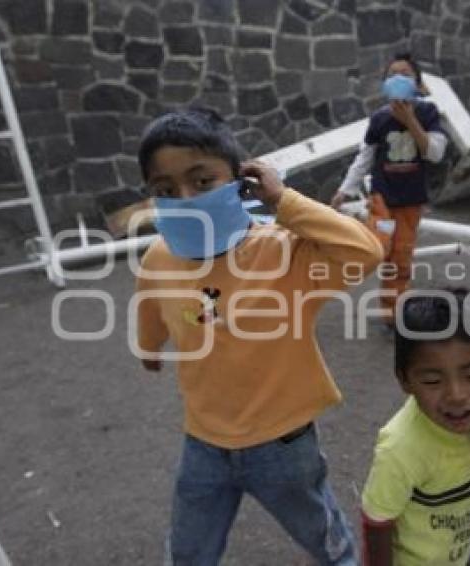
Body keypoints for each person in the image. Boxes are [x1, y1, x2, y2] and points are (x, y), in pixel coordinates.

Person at [134, 107, 383, 565]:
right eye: (165, 190)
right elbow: (152, 305)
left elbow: (365, 250)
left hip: (283, 446)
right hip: (203, 443)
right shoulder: (158, 257)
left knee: (326, 540)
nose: (184, 198)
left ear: (240, 181)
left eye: (201, 181)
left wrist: (284, 201)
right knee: (188, 552)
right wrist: (149, 347)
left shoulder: (284, 251)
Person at [361, 289, 470, 566]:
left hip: (459, 551)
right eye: (431, 381)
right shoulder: (399, 450)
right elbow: (377, 521)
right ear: (405, 381)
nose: (457, 395)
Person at [331, 53, 448, 326]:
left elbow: (435, 154)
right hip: (382, 198)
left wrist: (410, 121)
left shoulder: (429, 113)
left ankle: (394, 312)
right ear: (384, 84)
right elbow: (365, 158)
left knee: (401, 257)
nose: (398, 79)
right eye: (392, 74)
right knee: (379, 249)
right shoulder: (379, 119)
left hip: (410, 200)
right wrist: (344, 191)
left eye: (405, 74)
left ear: (418, 85)